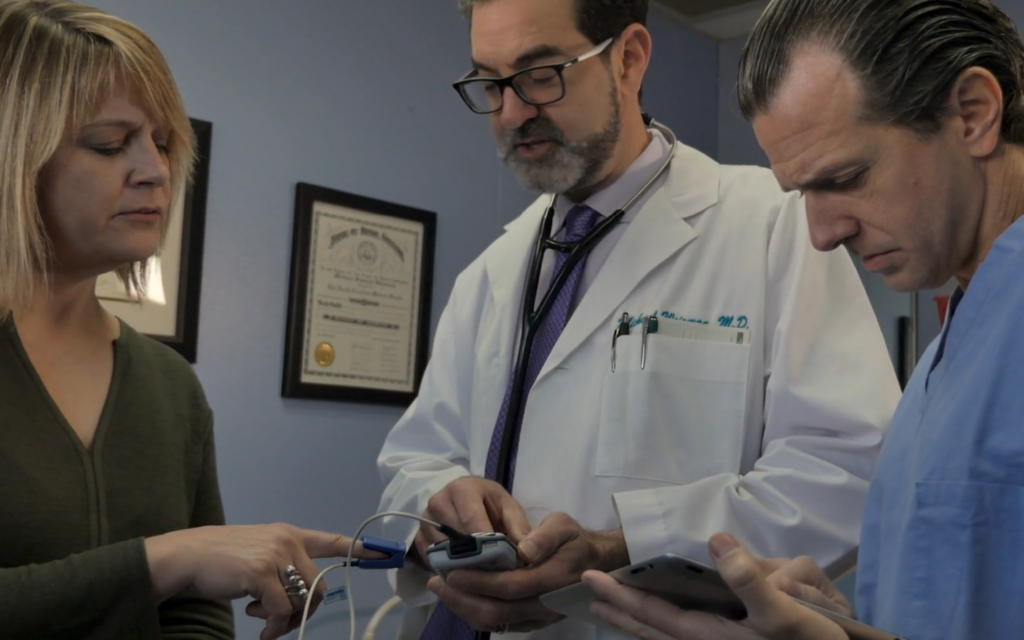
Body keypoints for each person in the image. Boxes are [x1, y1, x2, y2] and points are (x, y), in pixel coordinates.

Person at [376, 0, 901, 638]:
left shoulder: (773, 223)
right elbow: (413, 461)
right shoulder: (490, 273)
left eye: (542, 74)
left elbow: (848, 471)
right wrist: (435, 511)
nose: (512, 113)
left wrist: (623, 545)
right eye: (490, 83)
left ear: (628, 58)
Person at [582, 1, 1024, 639]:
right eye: (803, 195)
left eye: (846, 178)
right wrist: (845, 626)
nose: (822, 233)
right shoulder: (954, 353)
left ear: (973, 114)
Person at [0, 2, 374, 639]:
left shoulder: (170, 385)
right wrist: (166, 559)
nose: (155, 171)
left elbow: (194, 615)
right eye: (111, 144)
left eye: (163, 143)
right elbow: (177, 570)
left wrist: (186, 575)